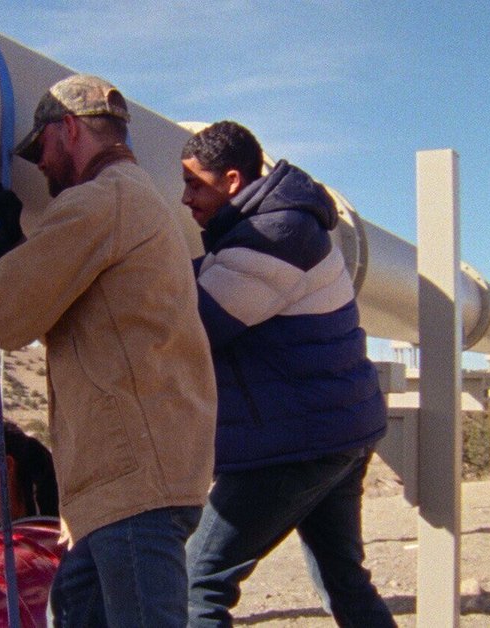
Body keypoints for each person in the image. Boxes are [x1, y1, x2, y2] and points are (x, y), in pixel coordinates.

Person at [0, 74, 217, 627]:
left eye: (42, 150)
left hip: (131, 487)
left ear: (69, 129)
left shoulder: (101, 202)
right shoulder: (134, 199)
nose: (41, 167)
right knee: (72, 613)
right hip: (130, 481)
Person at [179, 121, 394, 626]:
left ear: (232, 180)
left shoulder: (274, 234)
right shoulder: (274, 228)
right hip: (334, 432)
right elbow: (211, 277)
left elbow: (197, 326)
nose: (184, 197)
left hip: (294, 443)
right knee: (344, 577)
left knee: (197, 585)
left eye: (193, 183)